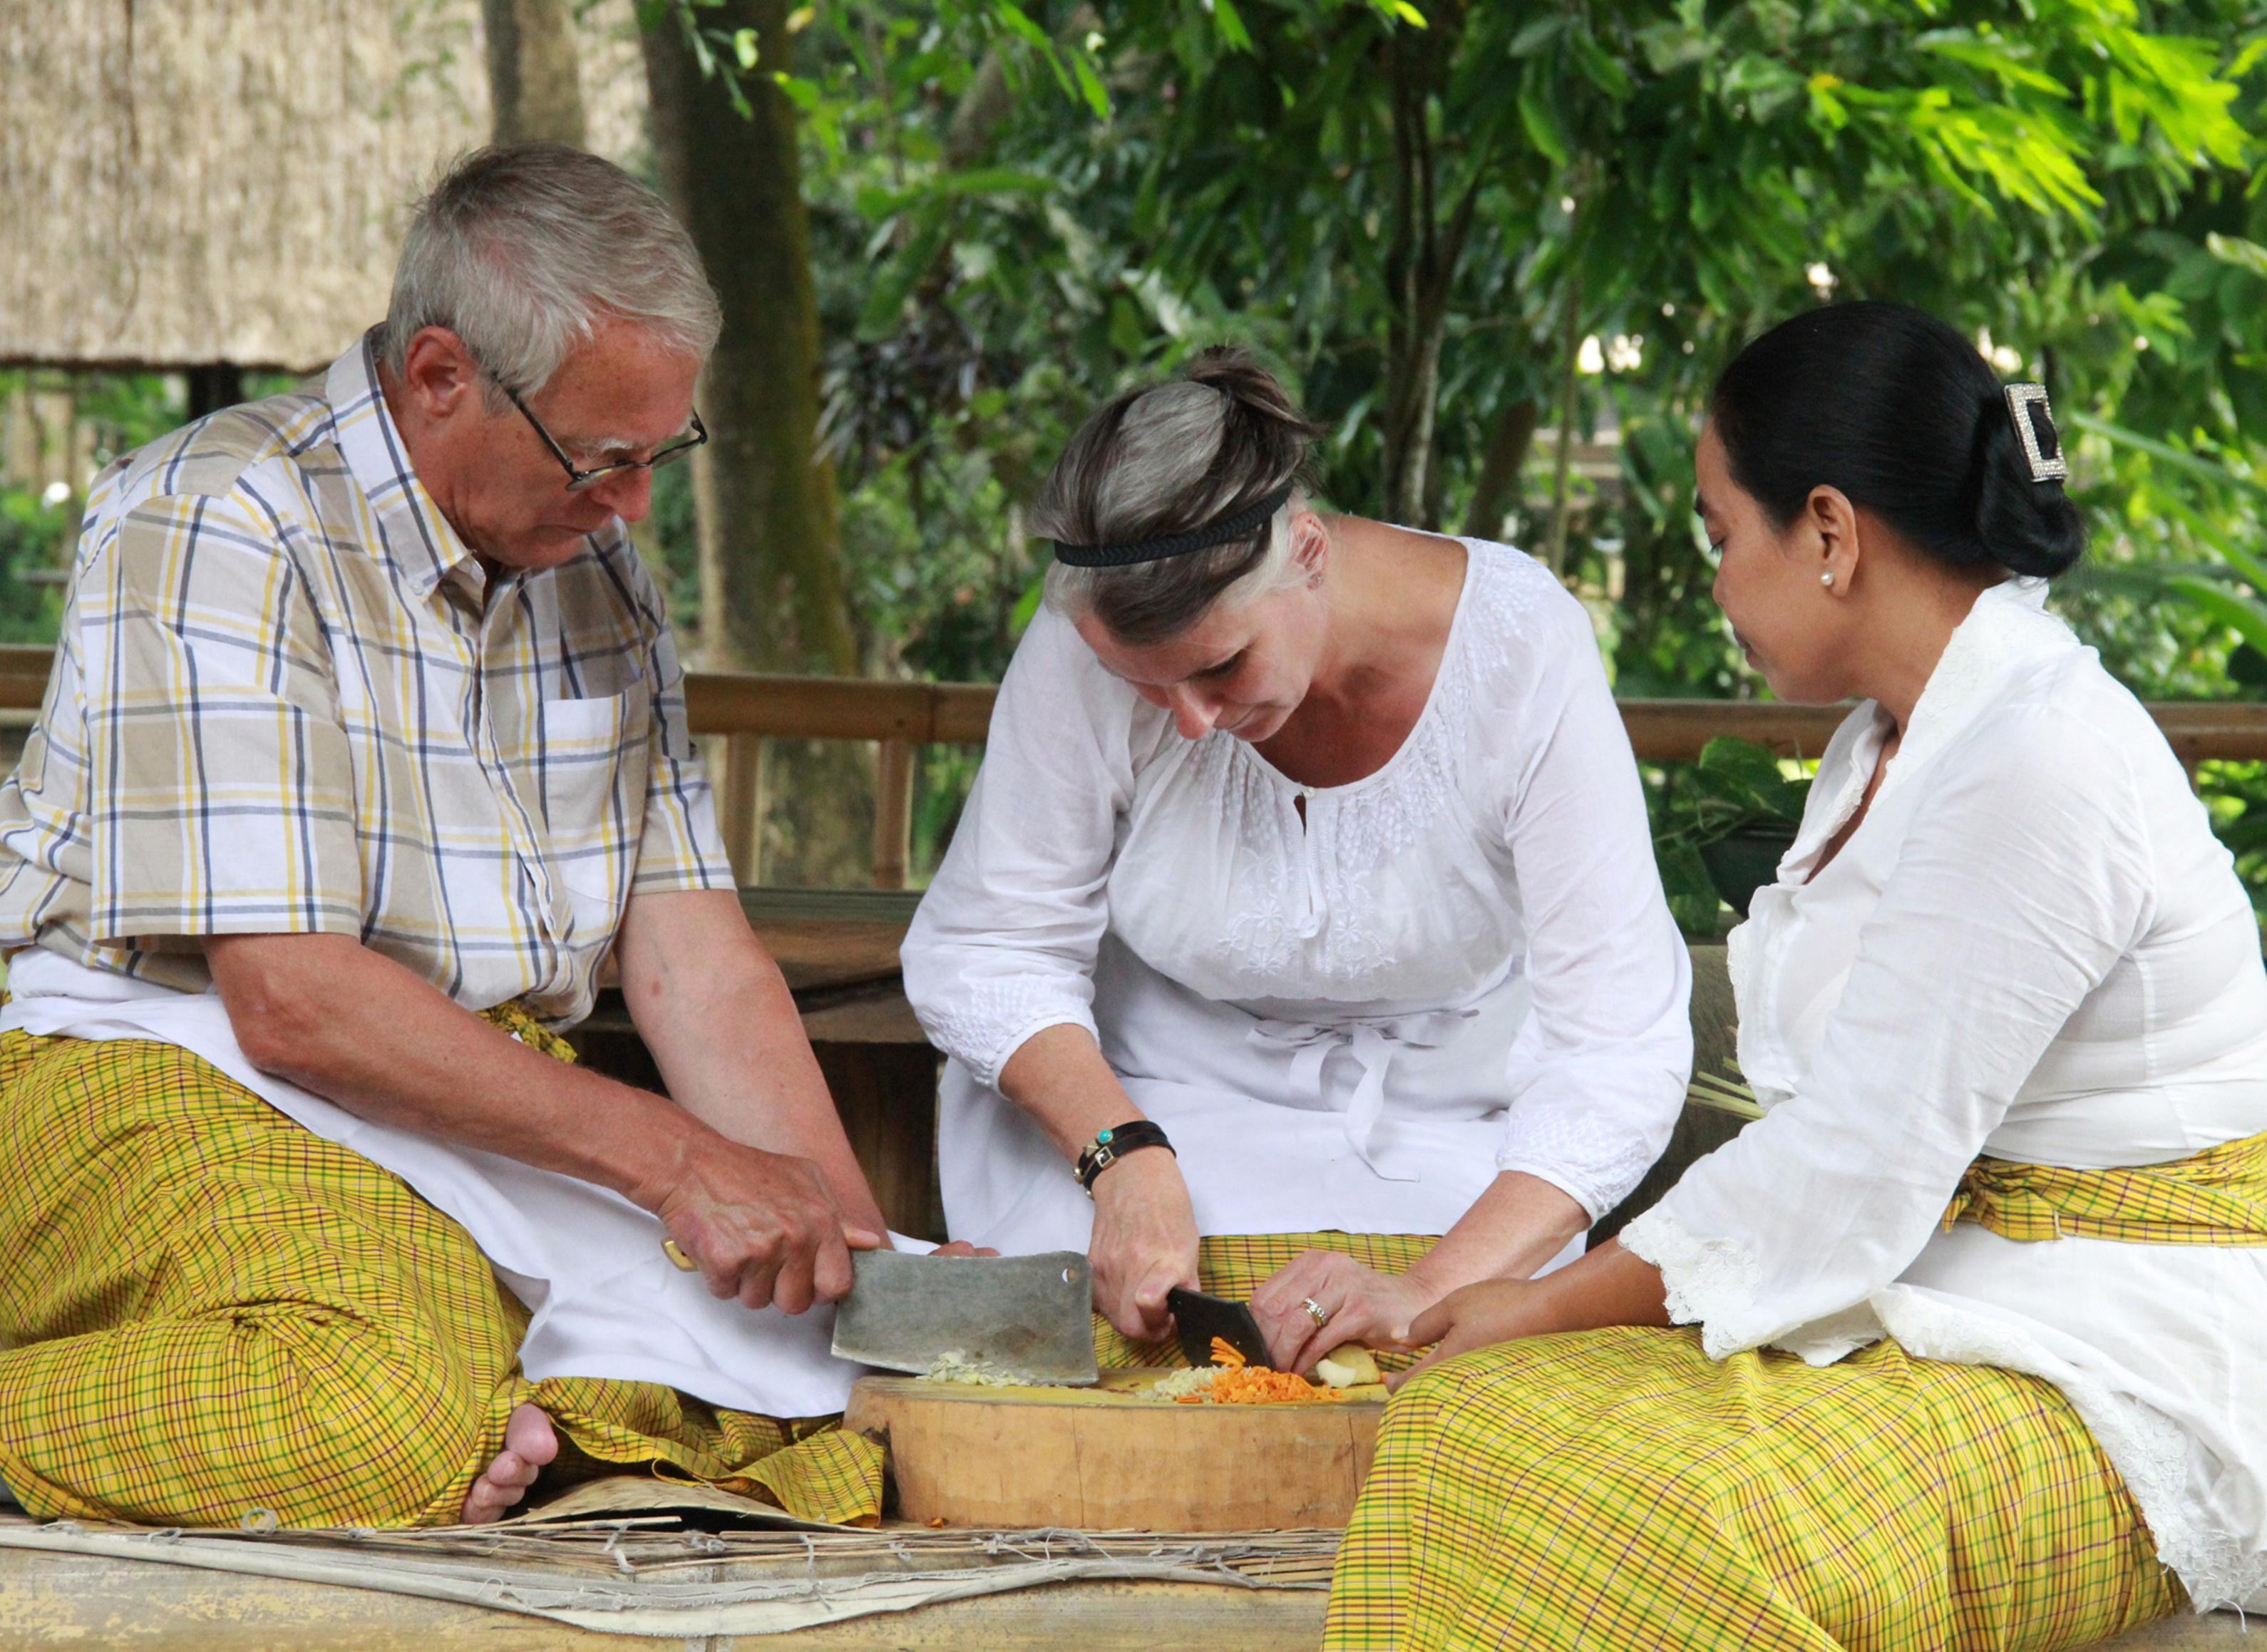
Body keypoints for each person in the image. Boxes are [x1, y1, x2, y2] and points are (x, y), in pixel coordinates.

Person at [1326, 301, 2267, 1651]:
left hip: (2132, 1352)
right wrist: (1526, 1321)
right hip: (1955, 1289)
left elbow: (1849, 1164)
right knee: (1470, 1426)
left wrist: (1542, 1302)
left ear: (1827, 532)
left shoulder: (2043, 758)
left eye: (1720, 535)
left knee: (1695, 1520)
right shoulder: (1881, 747)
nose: (1713, 582)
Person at [0, 144, 915, 1529]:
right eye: (605, 459)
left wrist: (861, 1261)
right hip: (139, 1065)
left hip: (461, 1090)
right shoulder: (219, 515)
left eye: (662, 455)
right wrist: (675, 1160)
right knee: (385, 1402)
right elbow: (292, 1000)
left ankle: (471, 1438)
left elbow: (695, 969)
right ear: (442, 378)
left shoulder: (598, 569)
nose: (635, 506)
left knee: (809, 1390)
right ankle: (427, 1432)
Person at [901, 351, 1692, 1372]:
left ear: (1309, 550)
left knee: (1449, 1391)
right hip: (1140, 1102)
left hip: (1453, 1133)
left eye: (1220, 666)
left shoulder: (1525, 647)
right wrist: (1120, 1156)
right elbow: (989, 947)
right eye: (1141, 685)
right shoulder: (1082, 640)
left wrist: (1425, 1292)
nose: (1187, 721)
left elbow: (1615, 1049)